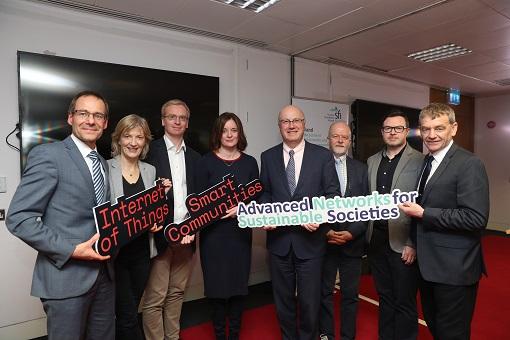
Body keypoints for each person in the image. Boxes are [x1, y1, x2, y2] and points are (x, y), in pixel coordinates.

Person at [6, 91, 114, 339]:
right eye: (83, 113)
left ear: (106, 123)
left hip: (105, 277)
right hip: (66, 278)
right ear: (70, 118)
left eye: (98, 115)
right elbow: (19, 218)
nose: (91, 120)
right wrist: (72, 250)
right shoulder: (49, 155)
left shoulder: (102, 162)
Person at [399, 103, 489, 340]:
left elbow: (476, 218)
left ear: (454, 128)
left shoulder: (469, 164)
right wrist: (412, 241)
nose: (431, 135)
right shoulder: (425, 162)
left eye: (439, 128)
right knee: (437, 328)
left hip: (455, 269)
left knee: (452, 333)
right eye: (426, 129)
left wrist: (424, 213)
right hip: (428, 267)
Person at [259, 105, 340, 340]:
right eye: (286, 121)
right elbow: (265, 193)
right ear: (279, 126)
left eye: (296, 121)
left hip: (311, 244)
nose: (291, 125)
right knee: (282, 301)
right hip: (279, 243)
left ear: (304, 124)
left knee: (309, 302)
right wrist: (266, 212)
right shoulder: (268, 156)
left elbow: (332, 195)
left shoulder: (323, 156)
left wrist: (316, 215)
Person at [107, 114, 171, 340]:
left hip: (143, 253)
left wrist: (156, 221)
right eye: (128, 136)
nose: (133, 142)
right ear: (119, 139)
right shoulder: (106, 169)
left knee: (132, 308)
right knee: (126, 315)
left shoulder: (150, 171)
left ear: (145, 142)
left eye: (139, 137)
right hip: (117, 255)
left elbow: (151, 211)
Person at [142, 99, 201, 340]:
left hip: (186, 237)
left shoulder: (197, 157)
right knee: (155, 298)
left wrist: (195, 227)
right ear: (163, 120)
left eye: (182, 118)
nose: (177, 121)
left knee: (177, 293)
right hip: (159, 236)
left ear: (187, 123)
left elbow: (200, 199)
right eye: (172, 117)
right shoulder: (148, 152)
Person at [197, 112, 259, 340]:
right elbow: (197, 204)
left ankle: (234, 334)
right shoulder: (204, 163)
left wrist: (243, 208)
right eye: (225, 130)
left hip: (240, 236)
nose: (230, 134)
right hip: (213, 237)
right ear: (218, 134)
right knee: (216, 290)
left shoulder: (251, 163)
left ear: (239, 133)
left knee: (238, 290)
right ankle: (220, 335)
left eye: (234, 130)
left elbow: (256, 200)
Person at [366, 111, 423, 340]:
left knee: (405, 301)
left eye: (398, 128)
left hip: (403, 244)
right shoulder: (371, 161)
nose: (392, 132)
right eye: (388, 128)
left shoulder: (420, 160)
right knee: (385, 298)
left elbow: (422, 203)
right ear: (382, 132)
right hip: (377, 241)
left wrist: (413, 243)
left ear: (406, 131)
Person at [319, 121, 368, 340]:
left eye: (344, 137)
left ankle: (348, 336)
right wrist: (326, 231)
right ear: (328, 139)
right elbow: (311, 204)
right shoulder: (317, 166)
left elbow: (367, 207)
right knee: (324, 293)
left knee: (350, 295)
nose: (340, 140)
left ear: (350, 141)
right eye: (336, 136)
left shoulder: (361, 168)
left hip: (353, 241)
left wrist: (352, 232)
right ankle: (326, 334)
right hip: (324, 241)